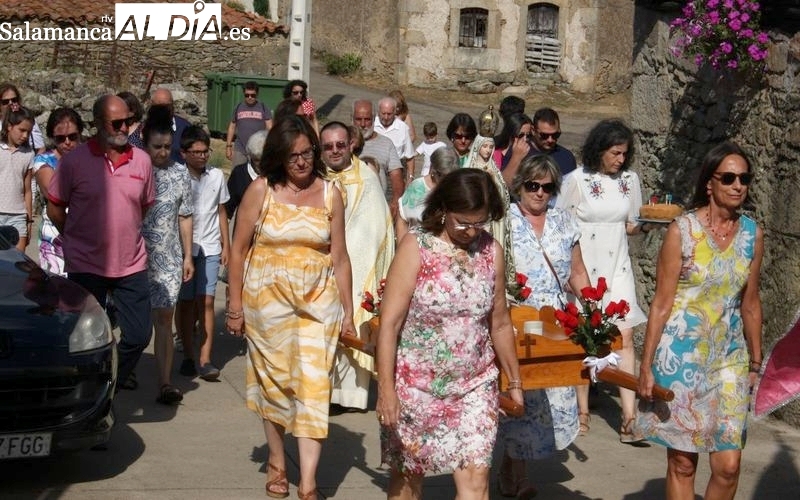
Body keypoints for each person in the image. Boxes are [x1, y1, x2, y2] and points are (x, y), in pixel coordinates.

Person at [225, 115, 356, 500]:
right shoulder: (260, 190)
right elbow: (238, 251)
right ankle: (279, 462)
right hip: (267, 305)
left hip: (319, 303)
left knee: (314, 386)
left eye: (306, 154)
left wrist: (349, 311)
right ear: (279, 157)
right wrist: (234, 306)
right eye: (292, 155)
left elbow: (341, 257)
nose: (301, 162)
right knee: (276, 386)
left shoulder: (331, 193)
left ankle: (310, 483)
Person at [376, 168, 524, 500]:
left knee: (476, 479)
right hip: (415, 386)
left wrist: (514, 381)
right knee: (407, 483)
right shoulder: (416, 247)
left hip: (475, 385)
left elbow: (499, 322)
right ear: (443, 209)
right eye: (463, 222)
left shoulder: (491, 252)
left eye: (480, 223)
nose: (472, 231)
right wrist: (386, 390)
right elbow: (390, 324)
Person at [637, 141, 763, 500]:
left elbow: (751, 304)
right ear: (710, 183)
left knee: (728, 466)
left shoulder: (753, 235)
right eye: (729, 178)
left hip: (729, 361)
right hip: (680, 360)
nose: (738, 185)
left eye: (745, 178)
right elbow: (661, 305)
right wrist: (646, 367)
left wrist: (756, 362)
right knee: (683, 463)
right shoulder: (683, 231)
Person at [497, 154, 592, 498]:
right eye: (532, 185)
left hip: (553, 322)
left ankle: (510, 467)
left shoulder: (564, 222)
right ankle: (519, 478)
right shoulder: (503, 221)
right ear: (519, 184)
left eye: (547, 187)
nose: (539, 193)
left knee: (547, 398)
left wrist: (594, 309)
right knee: (522, 392)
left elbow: (577, 273)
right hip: (516, 318)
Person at [47, 94, 155, 393]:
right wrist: (73, 235)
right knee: (84, 338)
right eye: (116, 122)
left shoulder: (143, 161)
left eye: (128, 122)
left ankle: (108, 384)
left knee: (138, 334)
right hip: (86, 265)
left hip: (131, 263)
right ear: (97, 124)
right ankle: (86, 394)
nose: (124, 128)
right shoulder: (75, 162)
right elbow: (55, 206)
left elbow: (142, 206)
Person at [555, 118, 648, 443]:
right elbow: (560, 227)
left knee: (624, 337)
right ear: (599, 150)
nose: (620, 160)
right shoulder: (575, 180)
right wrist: (567, 272)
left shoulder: (630, 180)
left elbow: (632, 224)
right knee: (584, 337)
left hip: (617, 265)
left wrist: (652, 223)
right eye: (615, 153)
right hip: (585, 266)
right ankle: (581, 412)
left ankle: (629, 417)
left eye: (624, 153)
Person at [320, 121, 394, 411]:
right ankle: (321, 392)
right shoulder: (312, 177)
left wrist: (355, 262)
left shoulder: (367, 176)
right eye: (328, 146)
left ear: (350, 144)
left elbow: (375, 226)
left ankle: (349, 397)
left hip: (355, 262)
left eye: (340, 144)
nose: (335, 151)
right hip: (321, 265)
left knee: (353, 323)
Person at [141, 104, 195, 405]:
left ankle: (164, 381)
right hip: (134, 257)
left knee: (164, 317)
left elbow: (185, 216)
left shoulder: (179, 174)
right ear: (145, 143)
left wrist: (188, 255)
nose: (162, 152)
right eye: (156, 147)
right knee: (134, 322)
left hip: (169, 256)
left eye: (166, 147)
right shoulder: (135, 169)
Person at [175, 125, 230, 381]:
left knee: (206, 301)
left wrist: (225, 245)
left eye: (205, 151)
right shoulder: (176, 176)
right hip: (184, 249)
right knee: (185, 303)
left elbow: (221, 211)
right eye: (195, 152)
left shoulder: (217, 176)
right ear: (184, 153)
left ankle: (206, 358)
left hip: (209, 246)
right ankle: (187, 354)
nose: (202, 156)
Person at [32, 107, 84, 275]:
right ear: (52, 138)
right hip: (55, 234)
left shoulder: (91, 159)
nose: (67, 142)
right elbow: (52, 192)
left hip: (87, 232)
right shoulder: (43, 161)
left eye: (72, 137)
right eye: (60, 138)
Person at [352, 99, 404, 217]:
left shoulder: (386, 143)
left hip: (377, 210)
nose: (363, 124)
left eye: (367, 119)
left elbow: (397, 178)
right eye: (358, 119)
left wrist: (395, 203)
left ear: (374, 118)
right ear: (352, 118)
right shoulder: (341, 142)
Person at [396, 147, 458, 241]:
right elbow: (402, 219)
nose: (447, 182)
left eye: (452, 177)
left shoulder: (458, 189)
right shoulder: (417, 187)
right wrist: (401, 249)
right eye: (442, 176)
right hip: (416, 248)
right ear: (433, 169)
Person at [502, 107, 576, 185]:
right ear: (533, 131)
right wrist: (516, 158)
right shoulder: (519, 151)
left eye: (555, 135)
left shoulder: (567, 157)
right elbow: (504, 186)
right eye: (544, 135)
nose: (550, 140)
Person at [0, 104, 35, 252]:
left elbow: (27, 190)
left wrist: (29, 219)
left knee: (18, 264)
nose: (25, 136)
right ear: (9, 126)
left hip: (18, 215)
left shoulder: (28, 154)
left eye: (29, 132)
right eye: (22, 130)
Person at [225, 81, 273, 167]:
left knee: (258, 176)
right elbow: (232, 127)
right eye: (247, 95)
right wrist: (228, 146)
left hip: (258, 149)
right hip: (240, 148)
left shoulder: (263, 107)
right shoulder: (238, 107)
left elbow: (270, 128)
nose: (250, 97)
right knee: (238, 175)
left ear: (257, 94)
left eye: (253, 95)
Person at [226, 129, 268, 221]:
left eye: (265, 159)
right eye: (257, 160)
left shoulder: (279, 173)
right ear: (250, 156)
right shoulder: (239, 173)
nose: (262, 164)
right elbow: (227, 210)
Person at [374, 96, 416, 185]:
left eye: (389, 114)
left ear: (394, 112)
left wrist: (410, 177)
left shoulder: (402, 128)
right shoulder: (372, 125)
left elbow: (410, 157)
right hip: (374, 172)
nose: (386, 117)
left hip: (395, 174)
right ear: (378, 112)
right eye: (383, 113)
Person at [0, 82, 45, 153]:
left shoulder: (29, 120)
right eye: (5, 101)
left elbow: (40, 149)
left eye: (14, 100)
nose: (10, 103)